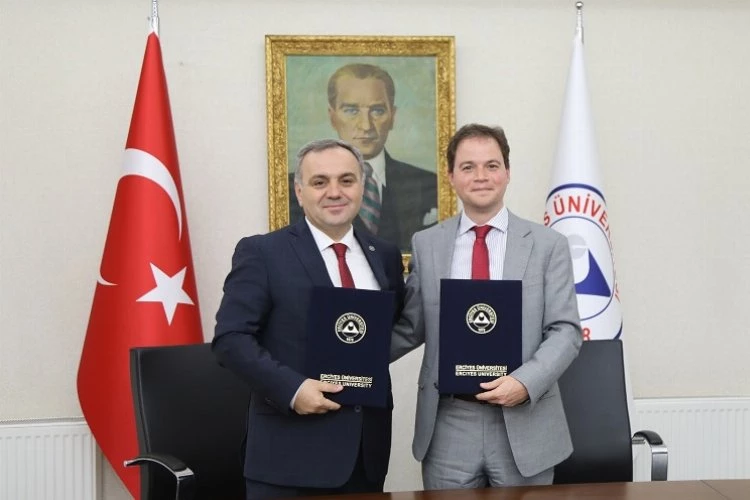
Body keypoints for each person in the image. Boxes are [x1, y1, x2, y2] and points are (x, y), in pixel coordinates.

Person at [391, 123, 583, 489]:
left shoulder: (548, 245)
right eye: (468, 167)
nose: (481, 176)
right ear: (451, 176)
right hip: (450, 422)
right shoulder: (427, 245)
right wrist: (342, 362)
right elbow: (412, 326)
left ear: (507, 172)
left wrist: (524, 383)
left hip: (524, 419)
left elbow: (565, 331)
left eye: (492, 165)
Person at [214, 138, 405, 499]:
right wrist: (293, 389)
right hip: (289, 461)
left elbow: (383, 332)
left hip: (365, 459)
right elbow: (230, 339)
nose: (334, 192)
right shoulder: (263, 252)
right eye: (320, 182)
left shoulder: (384, 255)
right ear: (299, 192)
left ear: (362, 187)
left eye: (346, 180)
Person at [289, 63, 437, 252]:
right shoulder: (289, 190)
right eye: (351, 110)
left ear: (392, 116)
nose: (366, 125)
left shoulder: (428, 184)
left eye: (377, 111)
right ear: (332, 116)